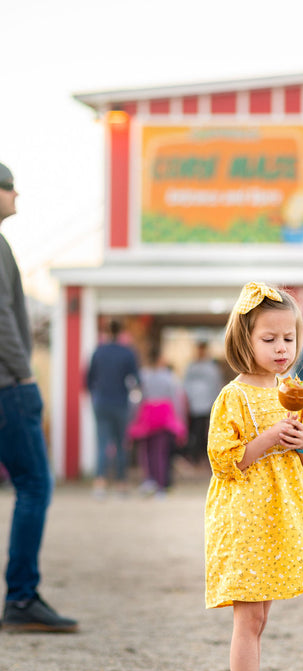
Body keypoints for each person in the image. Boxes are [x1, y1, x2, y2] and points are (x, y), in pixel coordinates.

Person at [205, 281, 303, 671]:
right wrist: (270, 438)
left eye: (289, 339)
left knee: (259, 620)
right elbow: (226, 459)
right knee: (247, 619)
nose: (281, 348)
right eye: (269, 339)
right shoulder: (233, 397)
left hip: (276, 517)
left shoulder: (291, 390)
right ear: (245, 340)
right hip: (243, 518)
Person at [0, 162, 78, 632]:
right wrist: (26, 377)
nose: (17, 198)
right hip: (8, 388)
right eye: (11, 189)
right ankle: (22, 597)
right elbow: (2, 320)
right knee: (35, 484)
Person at [86, 319, 140, 497]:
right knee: (120, 444)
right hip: (120, 403)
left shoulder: (98, 352)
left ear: (107, 332)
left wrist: (95, 394)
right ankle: (121, 485)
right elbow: (136, 380)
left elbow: (88, 379)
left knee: (102, 443)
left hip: (101, 402)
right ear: (121, 332)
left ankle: (100, 484)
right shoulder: (127, 353)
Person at [128, 346, 187, 497]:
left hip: (147, 416)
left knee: (145, 451)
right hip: (164, 416)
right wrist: (179, 420)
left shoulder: (142, 375)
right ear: (161, 359)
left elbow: (136, 398)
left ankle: (149, 480)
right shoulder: (169, 377)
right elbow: (175, 399)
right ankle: (161, 486)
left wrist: (134, 418)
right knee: (160, 452)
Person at [183, 338, 223, 465]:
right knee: (194, 431)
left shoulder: (211, 367)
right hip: (193, 404)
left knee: (205, 431)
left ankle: (203, 457)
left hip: (207, 404)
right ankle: (194, 457)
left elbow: (216, 385)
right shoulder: (191, 366)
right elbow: (185, 384)